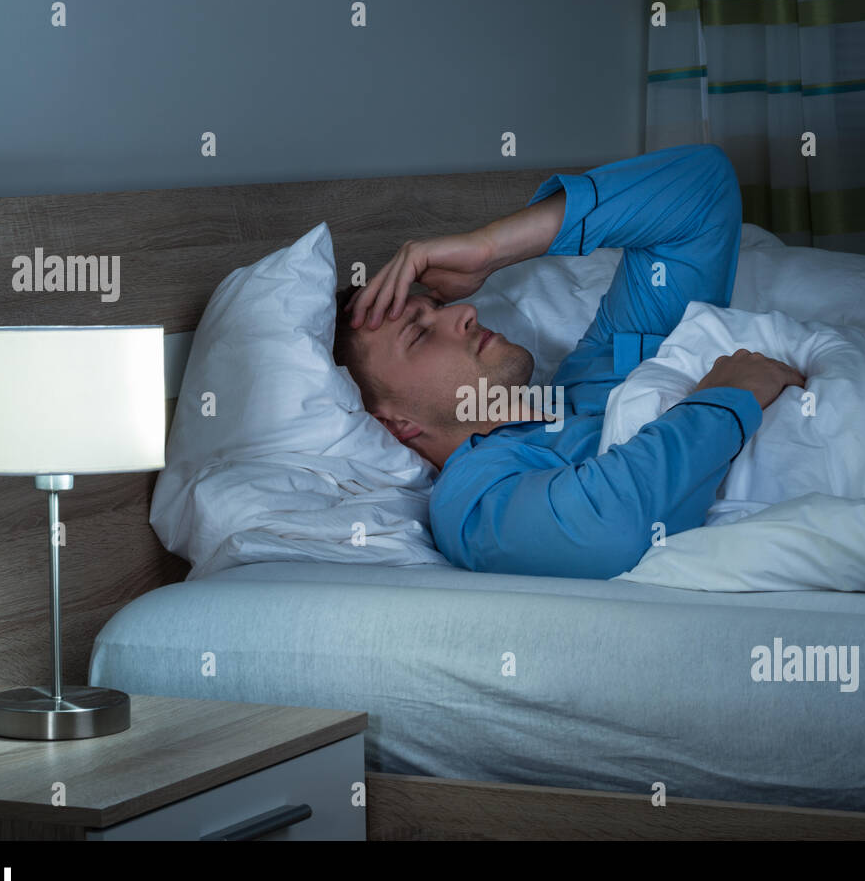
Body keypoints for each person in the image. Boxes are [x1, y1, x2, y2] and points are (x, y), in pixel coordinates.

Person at [334, 143, 805, 579]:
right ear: (396, 424)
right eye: (419, 334)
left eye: (437, 307)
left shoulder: (600, 364)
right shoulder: (473, 498)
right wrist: (726, 399)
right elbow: (609, 529)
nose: (463, 313)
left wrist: (488, 249)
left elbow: (703, 188)